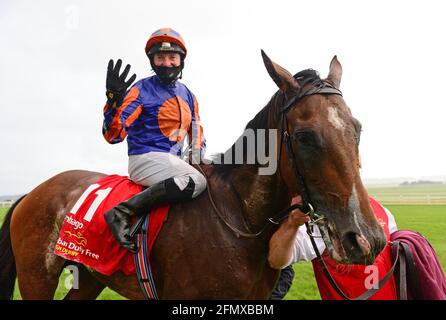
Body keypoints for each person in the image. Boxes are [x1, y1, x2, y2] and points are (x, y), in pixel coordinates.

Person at [101, 28, 207, 253]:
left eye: (172, 57)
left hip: (175, 163)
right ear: (152, 61)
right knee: (196, 181)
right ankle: (121, 212)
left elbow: (196, 131)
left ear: (181, 60)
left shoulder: (188, 95)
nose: (166, 63)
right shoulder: (140, 90)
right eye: (160, 57)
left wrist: (197, 157)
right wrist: (112, 103)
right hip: (145, 158)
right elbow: (114, 135)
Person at [268, 195, 399, 300]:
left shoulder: (383, 211)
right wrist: (293, 223)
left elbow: (277, 260)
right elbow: (277, 260)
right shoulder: (319, 220)